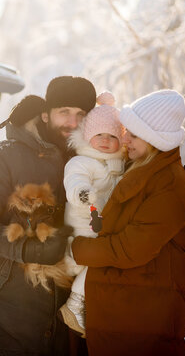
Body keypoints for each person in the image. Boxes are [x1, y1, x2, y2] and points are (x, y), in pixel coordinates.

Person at [0, 76, 97, 355]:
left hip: (74, 313)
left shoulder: (96, 157)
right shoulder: (6, 156)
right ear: (46, 114)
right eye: (64, 112)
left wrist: (178, 187)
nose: (72, 122)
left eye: (81, 114)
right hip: (14, 313)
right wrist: (27, 249)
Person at [71, 89, 185, 356]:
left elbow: (131, 248)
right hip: (128, 318)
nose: (124, 138)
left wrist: (77, 249)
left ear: (155, 140)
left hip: (142, 327)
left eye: (134, 134)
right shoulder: (143, 168)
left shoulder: (168, 183)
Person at [58, 91, 125, 338]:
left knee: (103, 265)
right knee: (96, 263)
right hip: (82, 228)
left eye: (112, 136)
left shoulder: (118, 164)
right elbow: (74, 181)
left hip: (102, 230)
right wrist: (83, 193)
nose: (106, 141)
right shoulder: (82, 162)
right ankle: (74, 304)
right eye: (99, 135)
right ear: (88, 137)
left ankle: (83, 305)